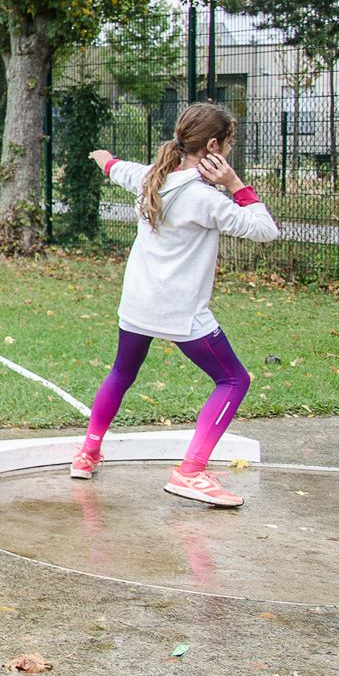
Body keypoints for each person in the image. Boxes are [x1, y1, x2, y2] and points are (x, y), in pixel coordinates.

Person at [70, 103, 280, 506]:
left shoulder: (154, 177)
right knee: (235, 380)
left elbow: (120, 170)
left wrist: (105, 159)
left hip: (137, 305)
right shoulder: (205, 198)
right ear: (214, 145)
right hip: (180, 314)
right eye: (229, 145)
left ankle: (87, 453)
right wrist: (236, 183)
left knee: (121, 372)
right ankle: (191, 472)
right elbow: (265, 230)